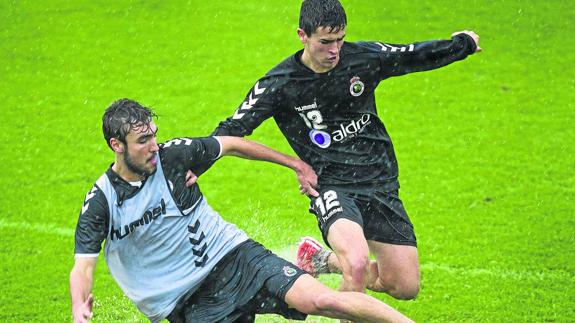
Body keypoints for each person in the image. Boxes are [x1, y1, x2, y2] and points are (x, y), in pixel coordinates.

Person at [206, 0, 482, 300]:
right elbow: (230, 130)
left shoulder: (362, 58)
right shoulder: (279, 84)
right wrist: (191, 164)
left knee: (404, 286)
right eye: (325, 42)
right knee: (358, 263)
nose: (334, 50)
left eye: (340, 40)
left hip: (381, 182)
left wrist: (462, 44)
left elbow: (413, 55)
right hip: (333, 186)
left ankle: (318, 259)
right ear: (302, 35)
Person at [69, 98, 413, 323]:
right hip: (185, 304)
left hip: (235, 255)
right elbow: (83, 267)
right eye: (143, 141)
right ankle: (314, 259)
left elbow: (232, 145)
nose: (154, 146)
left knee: (324, 301)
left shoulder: (172, 156)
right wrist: (79, 306)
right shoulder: (101, 203)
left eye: (154, 136)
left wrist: (293, 163)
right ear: (117, 145)